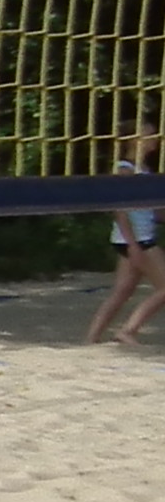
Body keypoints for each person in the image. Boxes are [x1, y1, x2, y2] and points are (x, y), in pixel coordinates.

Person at [86, 125, 159, 346]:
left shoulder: (144, 169)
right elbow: (119, 210)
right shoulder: (125, 170)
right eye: (150, 135)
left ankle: (92, 338)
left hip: (132, 239)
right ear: (135, 139)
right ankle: (128, 330)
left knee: (122, 292)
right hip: (138, 240)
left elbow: (151, 210)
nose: (155, 139)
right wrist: (133, 244)